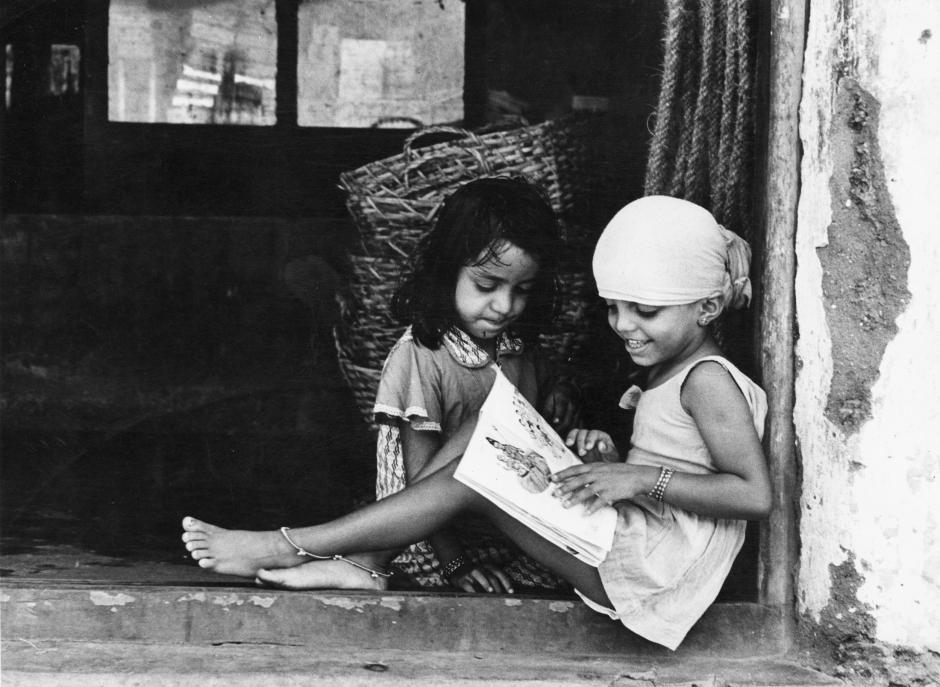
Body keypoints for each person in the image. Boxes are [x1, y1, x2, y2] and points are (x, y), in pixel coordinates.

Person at [182, 195, 772, 650]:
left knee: (476, 471)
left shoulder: (707, 380)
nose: (623, 325)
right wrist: (604, 460)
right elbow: (668, 463)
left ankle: (290, 546)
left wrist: (638, 480)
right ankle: (364, 563)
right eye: (613, 308)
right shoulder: (674, 372)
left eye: (644, 311)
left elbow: (753, 494)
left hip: (650, 568)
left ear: (709, 307)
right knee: (484, 431)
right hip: (632, 539)